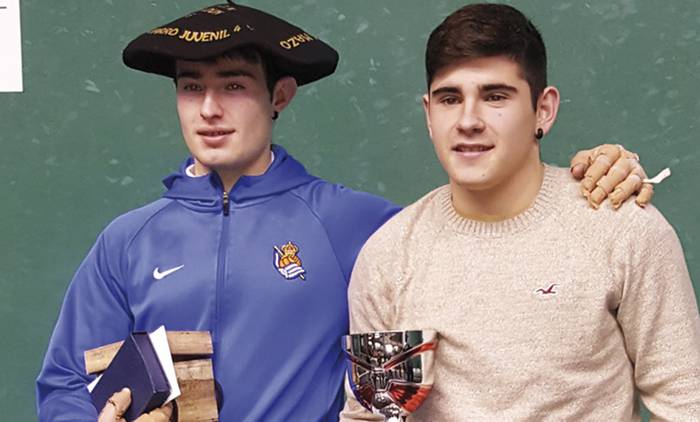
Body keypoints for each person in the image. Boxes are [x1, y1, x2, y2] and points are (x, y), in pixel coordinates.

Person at [35, 2, 652, 421]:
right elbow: (64, 381)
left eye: (233, 85)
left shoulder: (365, 228)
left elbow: (486, 230)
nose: (209, 109)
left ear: (279, 95)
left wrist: (598, 172)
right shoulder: (127, 241)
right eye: (191, 86)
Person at [341, 3, 700, 421]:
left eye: (495, 96)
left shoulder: (622, 229)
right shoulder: (389, 257)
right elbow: (371, 415)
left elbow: (685, 402)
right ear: (429, 114)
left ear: (543, 109)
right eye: (450, 99)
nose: (468, 120)